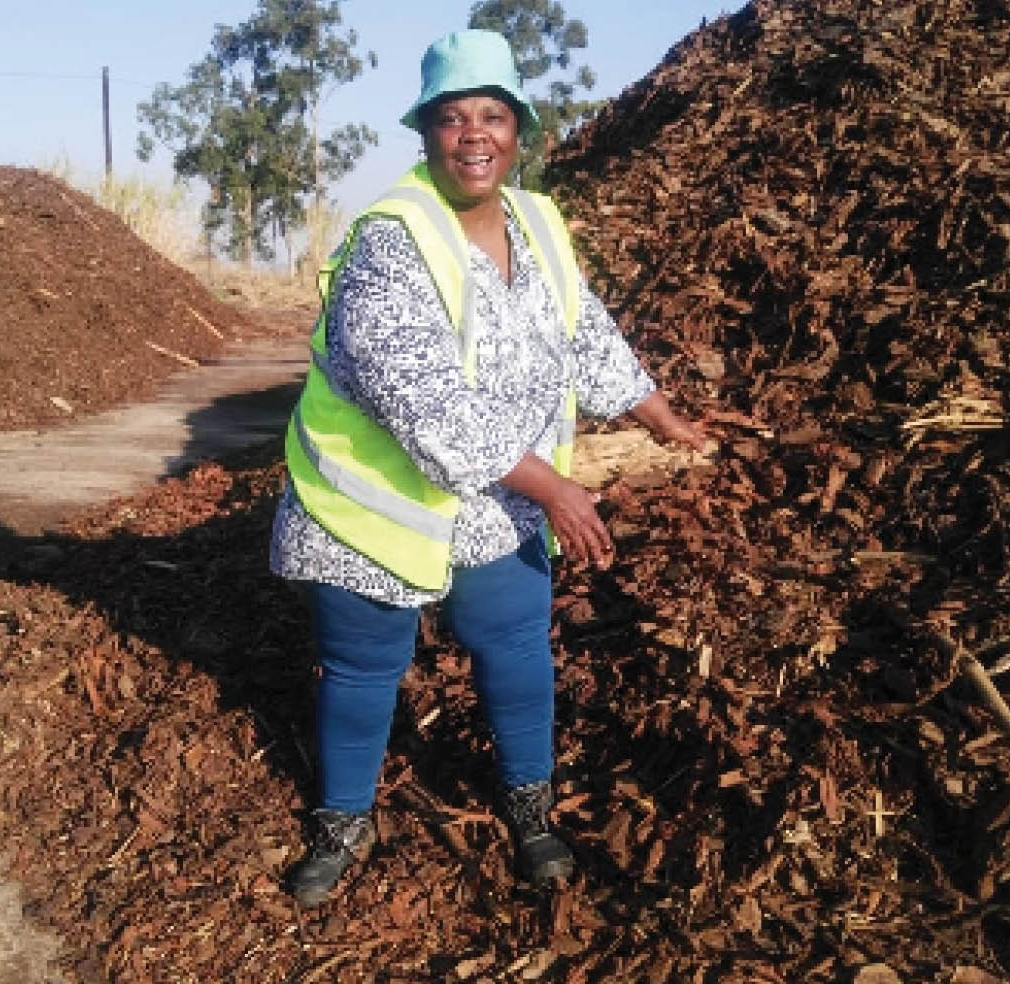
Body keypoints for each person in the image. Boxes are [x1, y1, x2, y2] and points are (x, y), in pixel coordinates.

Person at [270, 28, 705, 907]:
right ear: (426, 131)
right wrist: (554, 486)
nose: (475, 135)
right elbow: (420, 399)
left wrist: (659, 415)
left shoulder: (536, 217)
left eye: (493, 115)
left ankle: (528, 806)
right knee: (363, 668)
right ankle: (343, 819)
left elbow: (581, 325)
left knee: (511, 643)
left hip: (496, 497)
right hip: (375, 499)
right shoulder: (391, 240)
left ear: (520, 129)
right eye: (453, 116)